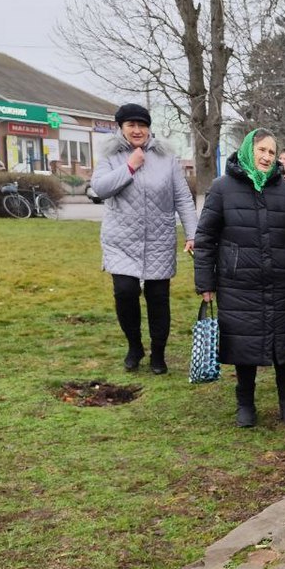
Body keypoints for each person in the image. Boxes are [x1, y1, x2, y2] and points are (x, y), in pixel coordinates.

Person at [193, 128, 285, 427]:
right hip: (238, 284)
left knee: (283, 346)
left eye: (272, 152)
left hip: (281, 282)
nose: (266, 157)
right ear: (249, 150)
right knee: (243, 346)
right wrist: (205, 283)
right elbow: (205, 237)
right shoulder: (222, 188)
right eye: (261, 150)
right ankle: (245, 403)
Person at [91, 103, 198, 374]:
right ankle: (134, 345)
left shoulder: (166, 159)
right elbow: (100, 189)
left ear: (149, 128)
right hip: (121, 239)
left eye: (142, 125)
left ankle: (158, 354)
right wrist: (129, 167)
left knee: (158, 297)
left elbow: (183, 198)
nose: (137, 130)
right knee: (125, 292)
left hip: (159, 239)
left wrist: (192, 234)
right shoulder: (111, 156)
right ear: (121, 128)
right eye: (131, 125)